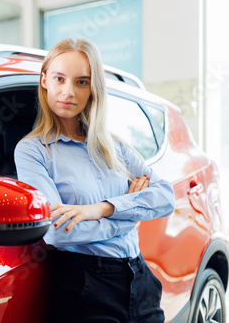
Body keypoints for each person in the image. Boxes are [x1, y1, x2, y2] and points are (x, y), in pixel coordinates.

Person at [14, 38, 175, 322]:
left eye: (81, 82)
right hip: (85, 286)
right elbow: (57, 232)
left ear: (93, 89)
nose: (68, 92)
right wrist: (130, 213)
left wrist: (101, 209)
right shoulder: (33, 151)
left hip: (140, 278)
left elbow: (165, 197)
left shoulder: (114, 147)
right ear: (44, 81)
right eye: (59, 79)